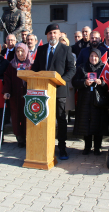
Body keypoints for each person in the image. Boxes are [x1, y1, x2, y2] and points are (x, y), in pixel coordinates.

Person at [31, 23, 76, 160]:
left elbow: (72, 69)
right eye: (50, 33)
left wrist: (61, 80)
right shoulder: (42, 49)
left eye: (55, 33)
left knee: (61, 120)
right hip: (43, 92)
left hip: (59, 91)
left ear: (59, 34)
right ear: (46, 36)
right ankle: (45, 146)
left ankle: (62, 148)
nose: (52, 35)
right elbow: (36, 69)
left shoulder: (66, 49)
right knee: (43, 119)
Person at [72, 49, 109, 155]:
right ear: (89, 57)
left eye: (96, 56)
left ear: (99, 57)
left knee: (98, 124)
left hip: (99, 102)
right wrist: (84, 82)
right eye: (92, 56)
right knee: (86, 124)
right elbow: (74, 82)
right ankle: (87, 147)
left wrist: (102, 83)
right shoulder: (82, 67)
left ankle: (97, 148)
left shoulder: (104, 68)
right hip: (85, 101)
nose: (94, 58)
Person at [3, 43, 31, 147]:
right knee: (16, 117)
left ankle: (30, 137)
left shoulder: (32, 63)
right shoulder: (12, 64)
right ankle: (20, 138)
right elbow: (7, 79)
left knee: (28, 116)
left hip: (28, 95)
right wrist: (6, 91)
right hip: (15, 95)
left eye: (22, 51)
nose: (19, 53)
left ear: (26, 51)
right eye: (17, 51)